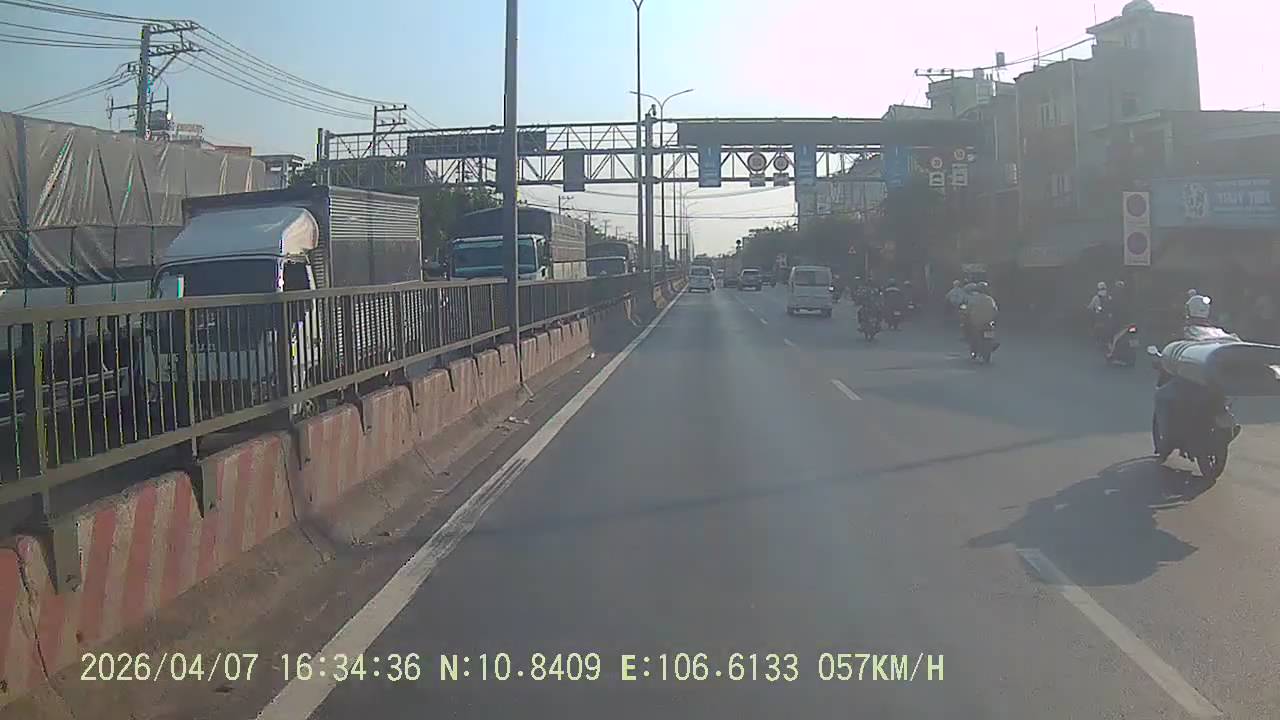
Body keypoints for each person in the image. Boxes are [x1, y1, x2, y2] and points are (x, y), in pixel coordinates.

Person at [964, 281, 999, 353]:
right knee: (990, 329)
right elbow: (995, 310)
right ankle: (991, 343)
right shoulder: (990, 299)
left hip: (976, 322)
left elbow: (968, 310)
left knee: (969, 329)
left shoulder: (973, 298)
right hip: (988, 322)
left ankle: (974, 345)